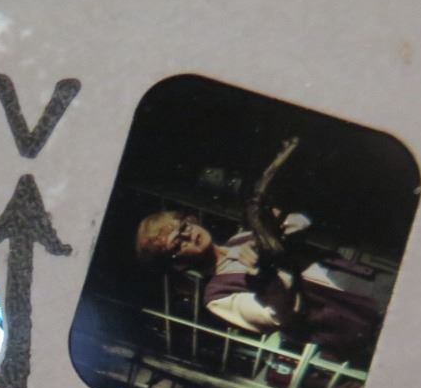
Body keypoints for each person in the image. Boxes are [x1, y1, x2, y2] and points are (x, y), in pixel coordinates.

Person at [133, 145, 384, 359]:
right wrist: (266, 279)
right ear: (177, 264)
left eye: (183, 227)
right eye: (177, 243)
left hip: (362, 281)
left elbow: (303, 221)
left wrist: (283, 221)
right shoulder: (216, 296)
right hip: (351, 322)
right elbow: (276, 317)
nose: (188, 235)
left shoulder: (241, 237)